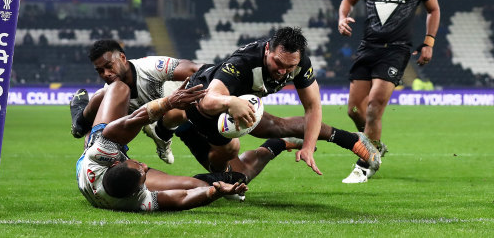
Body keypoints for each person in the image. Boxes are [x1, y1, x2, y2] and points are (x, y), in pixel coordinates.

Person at [170, 26, 380, 175]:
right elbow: (208, 101)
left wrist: (308, 145)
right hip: (209, 108)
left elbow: (313, 106)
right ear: (268, 48)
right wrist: (230, 102)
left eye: (290, 67)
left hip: (235, 106)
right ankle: (276, 146)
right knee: (232, 173)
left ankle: (352, 140)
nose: (283, 71)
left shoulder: (298, 63)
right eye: (278, 63)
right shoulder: (242, 63)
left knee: (276, 126)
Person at [338, 0, 440, 183]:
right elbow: (348, 1)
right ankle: (376, 145)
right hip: (367, 47)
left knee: (374, 107)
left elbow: (434, 10)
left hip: (396, 50)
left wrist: (428, 42)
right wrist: (342, 18)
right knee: (353, 110)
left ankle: (365, 163)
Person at [75, 78, 248, 211]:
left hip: (93, 161)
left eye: (139, 165)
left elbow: (132, 121)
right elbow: (182, 198)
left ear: (115, 163)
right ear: (138, 190)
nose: (145, 165)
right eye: (143, 172)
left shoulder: (100, 153)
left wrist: (169, 102)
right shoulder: (136, 201)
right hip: (112, 176)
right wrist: (215, 192)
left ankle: (80, 118)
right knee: (200, 186)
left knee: (120, 88)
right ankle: (215, 179)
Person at [70, 39, 201, 164]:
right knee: (97, 144)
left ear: (122, 58)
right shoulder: (110, 94)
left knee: (179, 115)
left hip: (174, 111)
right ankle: (79, 122)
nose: (106, 74)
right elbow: (97, 139)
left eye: (109, 66)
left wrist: (218, 75)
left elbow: (195, 69)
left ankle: (162, 136)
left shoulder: (150, 67)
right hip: (142, 117)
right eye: (100, 71)